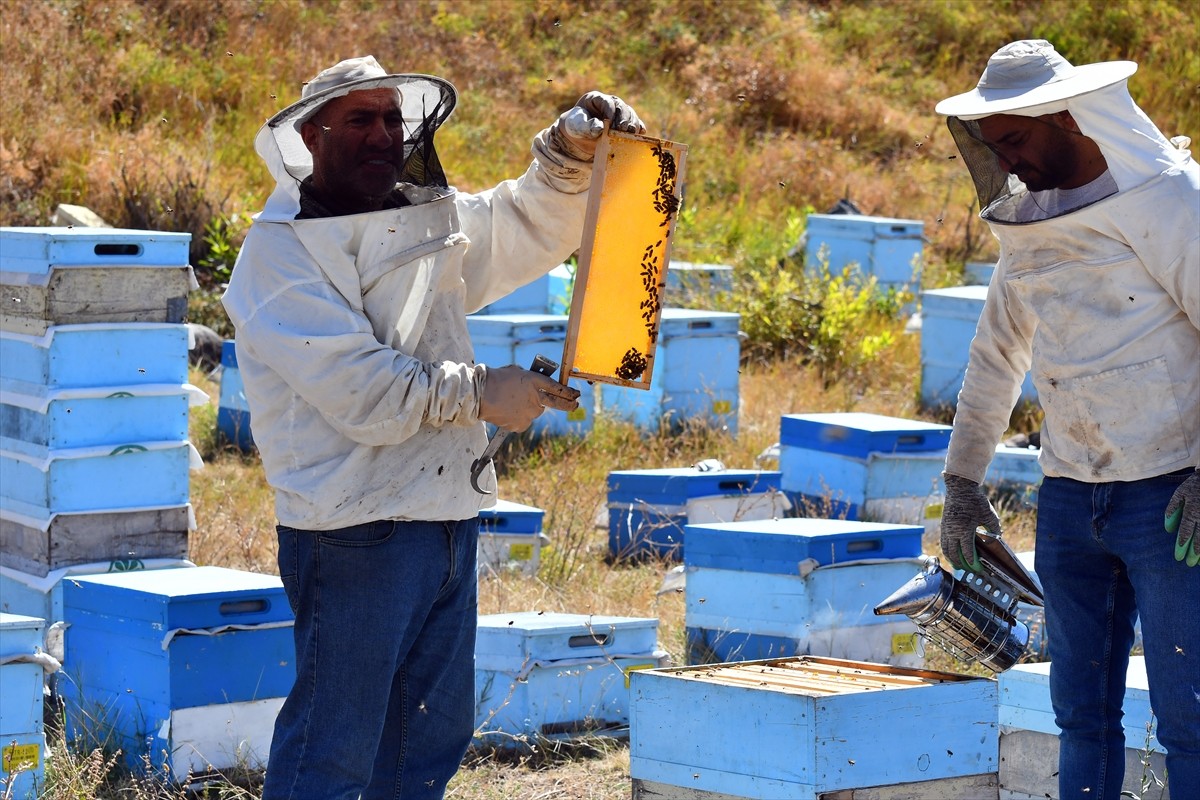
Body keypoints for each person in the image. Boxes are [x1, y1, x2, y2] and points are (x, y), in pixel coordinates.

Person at [221, 55, 644, 799]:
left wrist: (569, 156)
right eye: (360, 119)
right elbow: (361, 390)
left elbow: (515, 225)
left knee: (426, 740)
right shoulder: (280, 255)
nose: (383, 134)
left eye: (392, 117)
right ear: (312, 135)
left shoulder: (418, 219)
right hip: (353, 530)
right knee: (334, 749)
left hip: (447, 516)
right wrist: (484, 392)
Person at [934, 40, 1199, 799]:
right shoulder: (1028, 223)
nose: (1007, 162)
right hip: (1069, 496)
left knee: (1191, 721)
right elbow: (995, 357)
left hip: (1173, 500)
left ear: (1069, 118)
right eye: (993, 147)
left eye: (1015, 139)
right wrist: (962, 479)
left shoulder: (1169, 199)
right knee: (1079, 717)